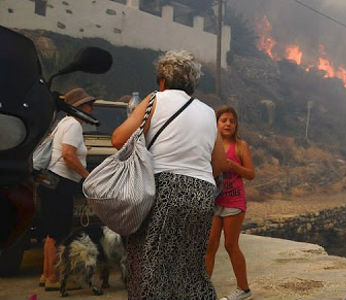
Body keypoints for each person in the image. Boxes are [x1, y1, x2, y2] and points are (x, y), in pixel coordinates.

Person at [111, 50, 230, 300]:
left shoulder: (155, 100)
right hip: (202, 193)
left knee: (149, 266)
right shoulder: (209, 112)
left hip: (163, 189)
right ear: (192, 84)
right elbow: (219, 163)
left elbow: (118, 139)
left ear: (162, 81)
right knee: (190, 268)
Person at [38, 88, 95, 290]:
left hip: (50, 181)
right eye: (89, 105)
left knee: (51, 232)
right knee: (60, 231)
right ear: (79, 108)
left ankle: (47, 274)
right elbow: (68, 155)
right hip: (60, 183)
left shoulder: (62, 122)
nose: (91, 109)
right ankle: (55, 278)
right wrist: (88, 176)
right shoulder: (74, 126)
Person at [204, 106, 256, 300]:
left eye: (231, 121)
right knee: (209, 245)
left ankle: (243, 289)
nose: (227, 124)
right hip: (214, 200)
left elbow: (251, 174)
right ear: (216, 123)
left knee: (231, 245)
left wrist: (232, 164)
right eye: (223, 120)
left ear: (236, 125)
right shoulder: (209, 144)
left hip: (234, 201)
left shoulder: (241, 146)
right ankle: (204, 289)